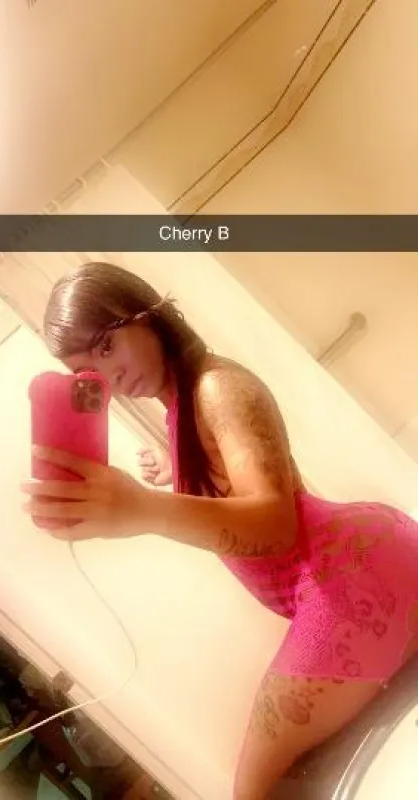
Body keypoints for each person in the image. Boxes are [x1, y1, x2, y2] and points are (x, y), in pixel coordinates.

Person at [21, 262, 418, 800]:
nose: (108, 374)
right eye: (86, 370)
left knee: (252, 791)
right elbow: (234, 479)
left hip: (348, 577)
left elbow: (274, 526)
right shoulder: (183, 406)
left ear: (146, 312)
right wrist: (173, 471)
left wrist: (143, 508)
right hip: (358, 564)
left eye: (108, 346)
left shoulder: (216, 387)